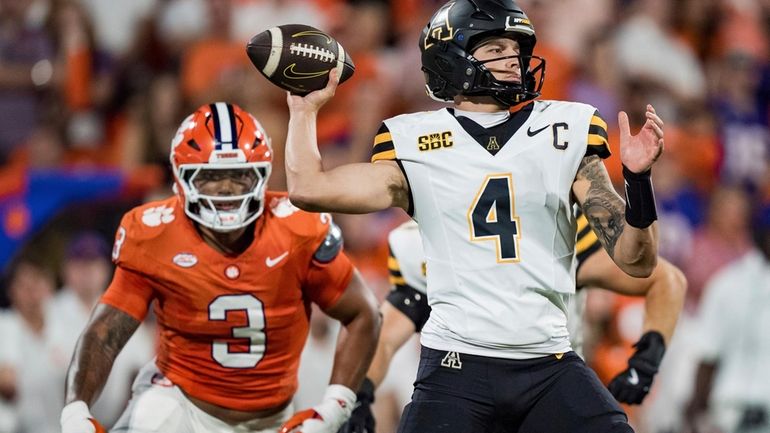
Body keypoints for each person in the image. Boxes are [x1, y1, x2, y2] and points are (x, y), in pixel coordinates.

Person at [281, 0, 665, 431]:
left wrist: (637, 180)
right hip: (456, 366)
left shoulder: (565, 129)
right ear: (453, 58)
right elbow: (307, 188)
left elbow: (638, 261)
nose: (513, 59)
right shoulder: (414, 140)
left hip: (549, 363)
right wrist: (303, 111)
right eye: (495, 49)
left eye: (514, 48)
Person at [59, 102, 381, 433]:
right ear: (182, 178)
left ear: (262, 175)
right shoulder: (154, 235)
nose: (226, 188)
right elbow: (105, 333)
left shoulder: (297, 229)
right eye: (211, 176)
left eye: (239, 175)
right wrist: (76, 409)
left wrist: (335, 407)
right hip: (179, 405)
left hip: (273, 417)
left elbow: (363, 314)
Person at [338, 208, 687, 432]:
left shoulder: (549, 219)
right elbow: (386, 334)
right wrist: (361, 392)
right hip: (468, 393)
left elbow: (664, 279)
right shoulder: (415, 243)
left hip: (549, 386)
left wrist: (648, 358)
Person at [52, 231, 155, 428]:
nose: (87, 271)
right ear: (66, 269)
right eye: (80, 264)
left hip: (114, 424)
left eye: (93, 263)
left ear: (106, 269)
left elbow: (141, 365)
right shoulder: (48, 311)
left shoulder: (121, 311)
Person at [683, 205, 770, 433]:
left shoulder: (726, 281)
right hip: (729, 413)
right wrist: (695, 410)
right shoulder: (727, 283)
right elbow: (707, 354)